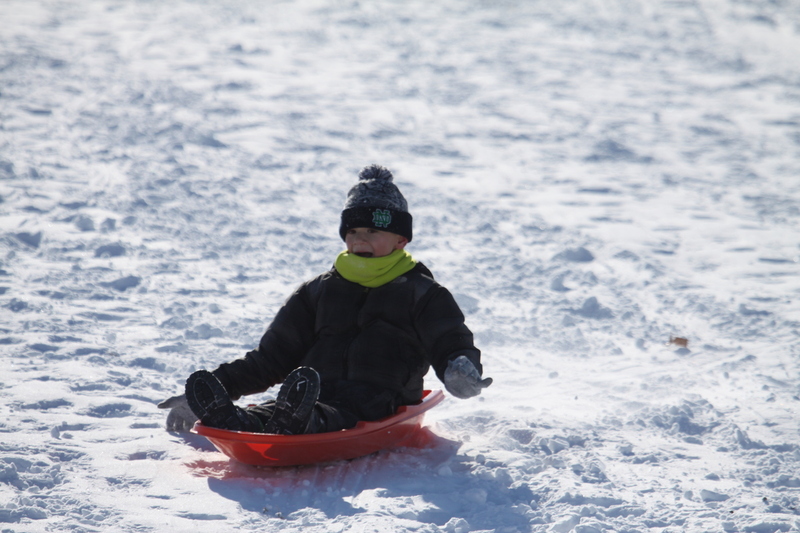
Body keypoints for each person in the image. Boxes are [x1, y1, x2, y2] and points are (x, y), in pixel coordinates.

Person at [158, 164, 491, 434]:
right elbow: (270, 359)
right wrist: (217, 387)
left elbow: (451, 342)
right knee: (280, 409)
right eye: (353, 232)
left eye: (372, 232)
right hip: (308, 395)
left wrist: (459, 370)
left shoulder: (424, 294)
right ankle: (241, 421)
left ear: (401, 239)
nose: (361, 239)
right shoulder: (317, 292)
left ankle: (293, 422)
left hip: (378, 401)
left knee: (325, 413)